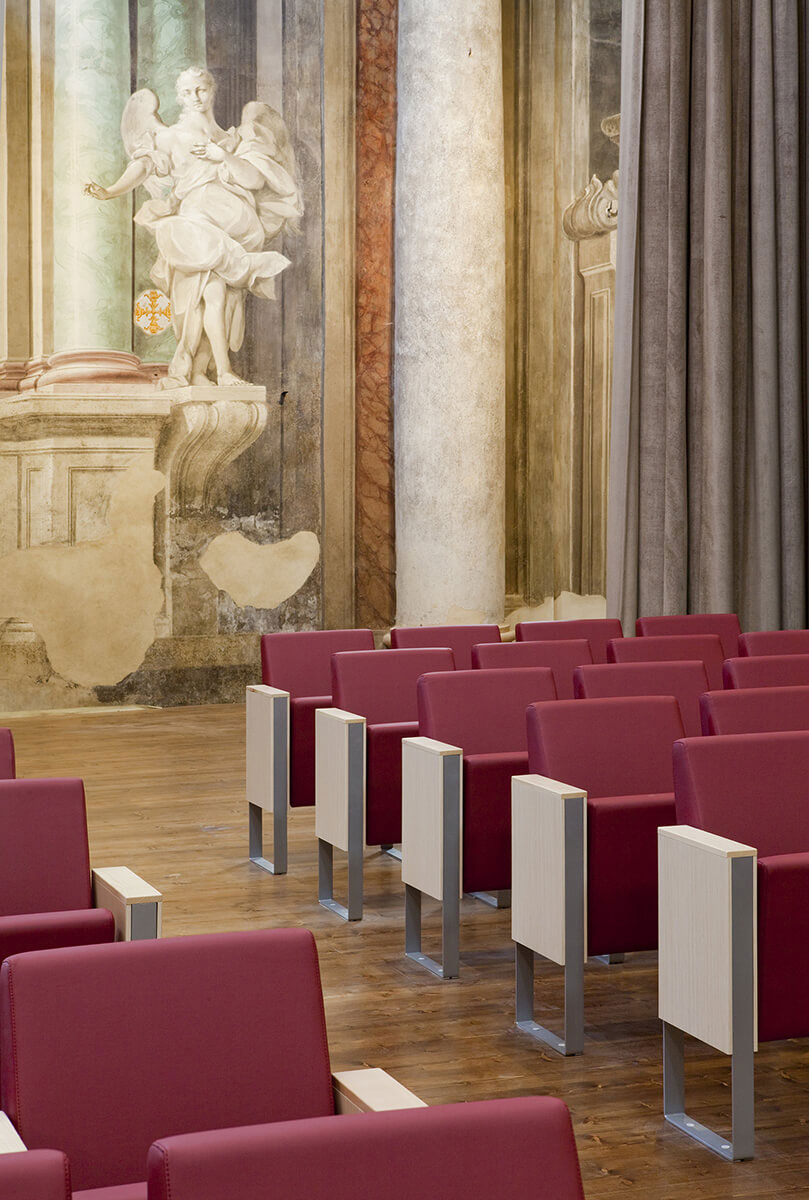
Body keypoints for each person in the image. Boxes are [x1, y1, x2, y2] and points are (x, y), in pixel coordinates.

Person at [85, 67, 302, 389]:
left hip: (234, 230)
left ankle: (200, 371)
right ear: (179, 97)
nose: (195, 97)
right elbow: (143, 166)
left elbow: (255, 180)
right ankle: (223, 373)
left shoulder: (233, 139)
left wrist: (223, 155)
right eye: (187, 92)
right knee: (211, 294)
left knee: (221, 302)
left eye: (201, 89)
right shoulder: (169, 136)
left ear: (212, 90)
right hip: (196, 227)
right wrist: (111, 191)